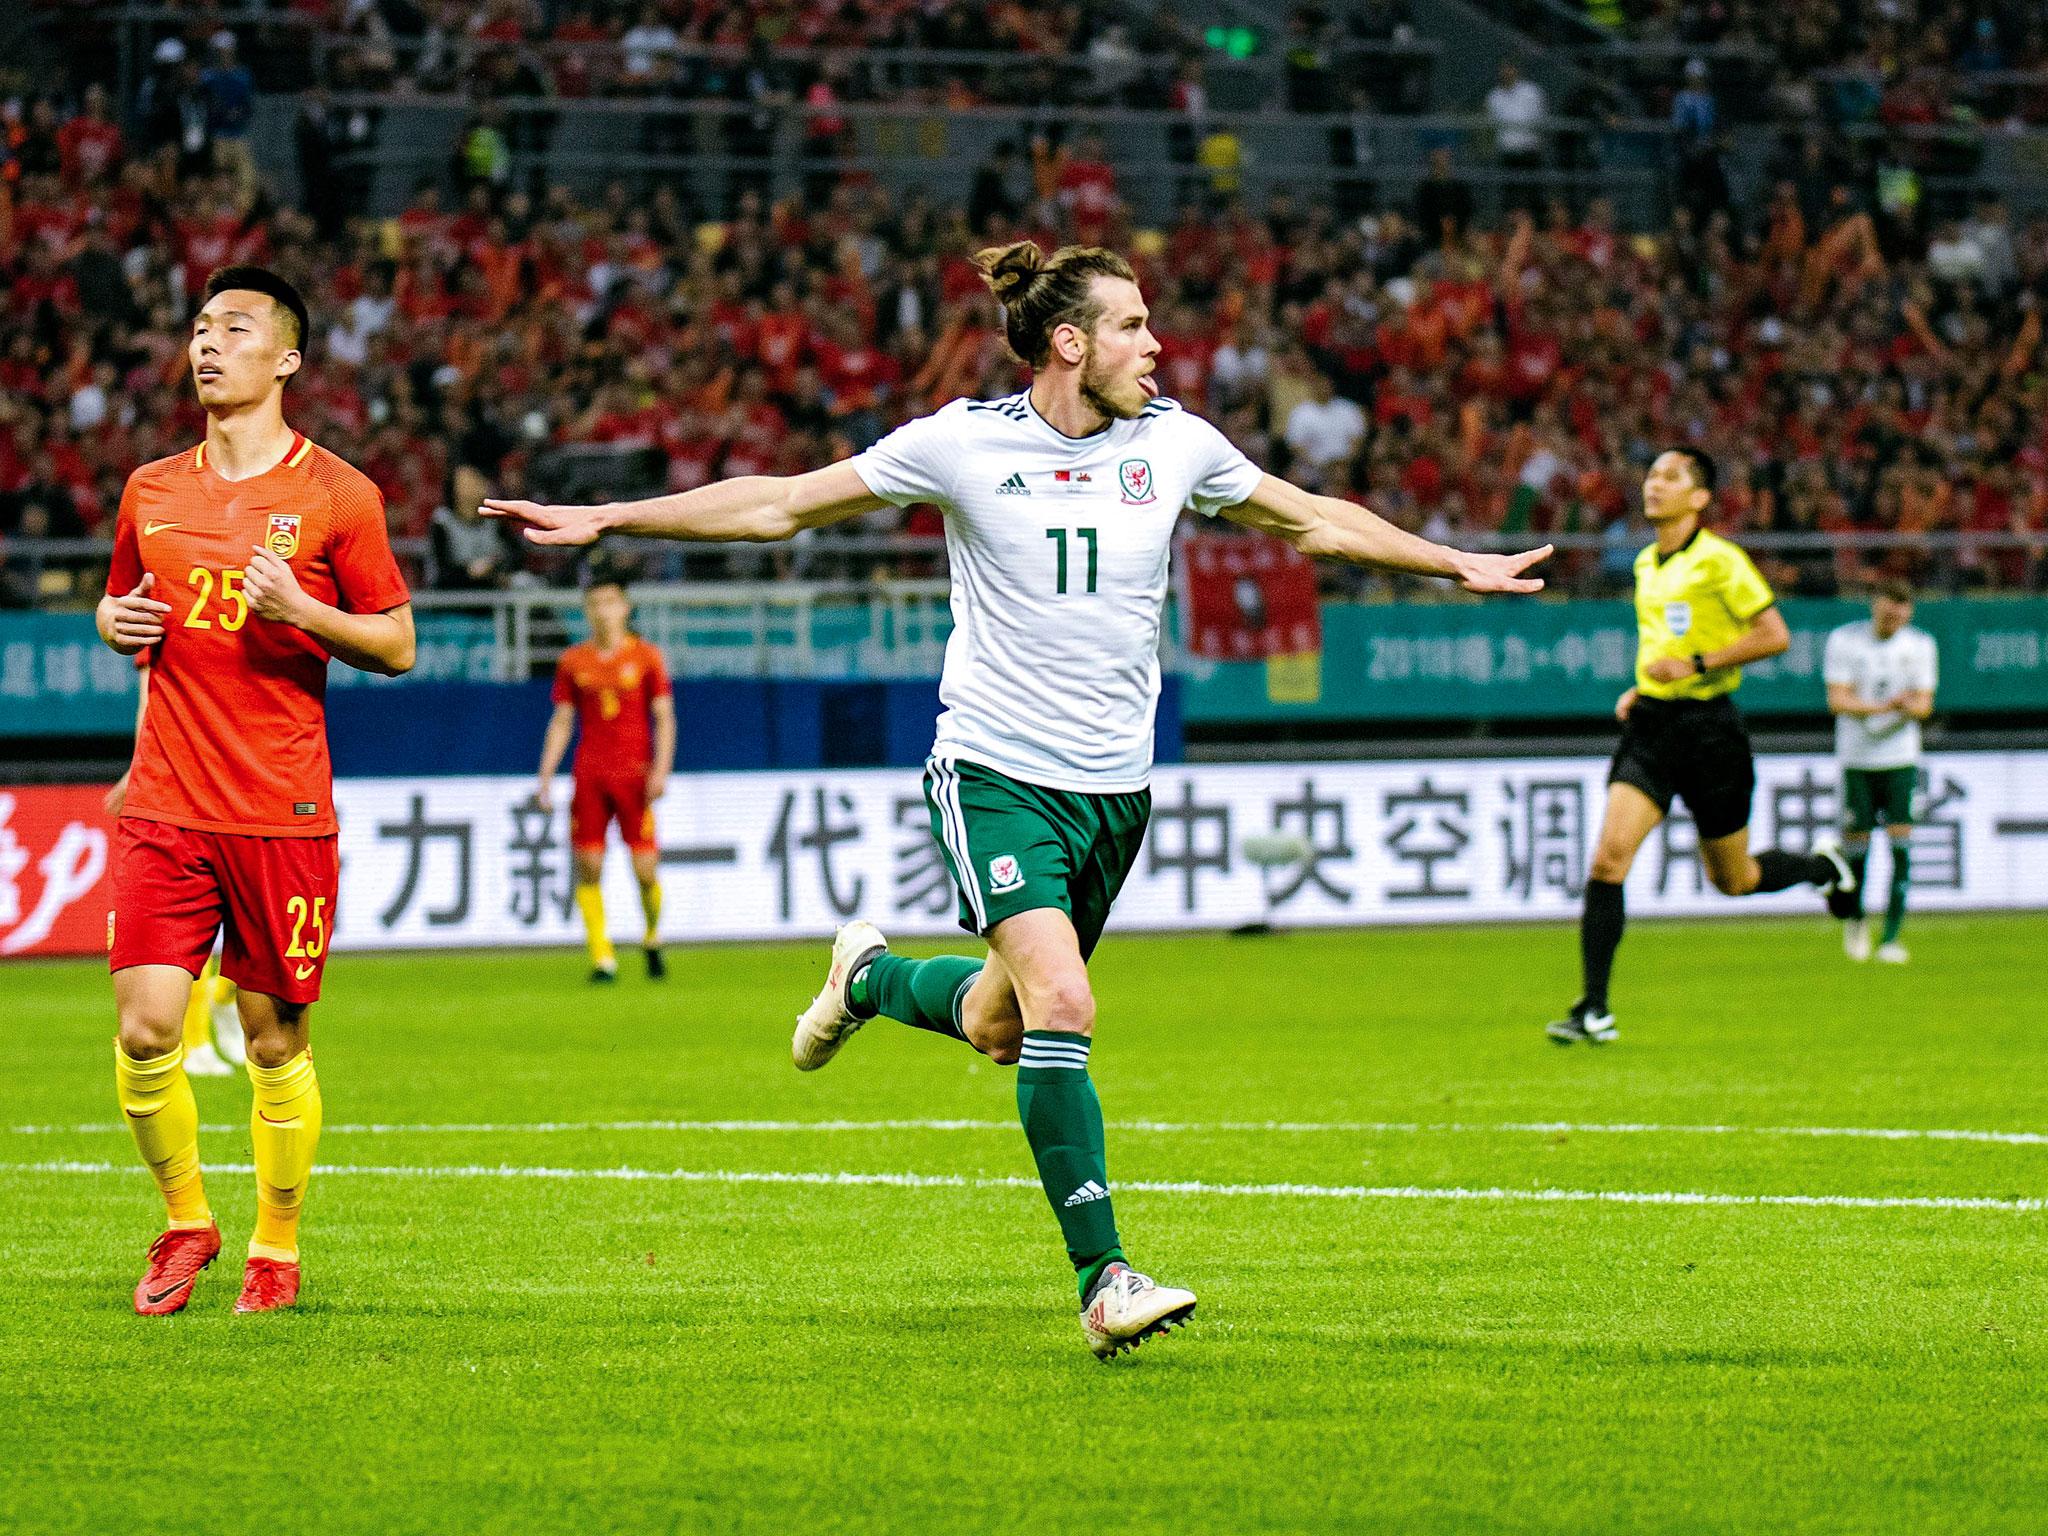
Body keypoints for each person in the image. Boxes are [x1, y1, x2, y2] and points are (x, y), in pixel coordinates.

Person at [485, 241, 1547, 1356]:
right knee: (1064, 1006)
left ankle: (870, 977)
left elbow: (1311, 521)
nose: (1156, 345)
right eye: (1133, 326)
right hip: (993, 775)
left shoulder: (1175, 444)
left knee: (1001, 1024)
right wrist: (613, 516)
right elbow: (783, 505)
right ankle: (1105, 1279)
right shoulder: (960, 443)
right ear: (1068, 343)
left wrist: (1449, 561)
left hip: (1111, 793)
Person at [97, 265, 415, 1316]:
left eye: (234, 328)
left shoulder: (339, 495)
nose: (207, 343)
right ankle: (188, 1220)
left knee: (275, 1037)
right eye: (198, 327)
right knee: (147, 1027)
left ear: (286, 359)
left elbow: (398, 643)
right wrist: (115, 626)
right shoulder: (150, 488)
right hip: (165, 801)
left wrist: (302, 611)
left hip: (280, 807)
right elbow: (116, 605)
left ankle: (277, 1245)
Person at [1548, 449, 1855, 1046]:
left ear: (1700, 497)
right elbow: (1660, 643)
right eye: (1652, 474)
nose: (1653, 484)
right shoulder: (1644, 563)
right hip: (1653, 729)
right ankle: (1594, 1008)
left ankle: (1824, 867)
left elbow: (1774, 636)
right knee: (1609, 858)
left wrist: (1695, 664)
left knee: (1734, 880)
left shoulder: (1721, 561)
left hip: (1712, 733)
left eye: (1670, 477)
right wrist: (1640, 687)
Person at [105, 657, 244, 1077]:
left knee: (260, 943)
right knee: (185, 935)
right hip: (184, 792)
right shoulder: (168, 607)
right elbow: (151, 696)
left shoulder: (263, 601)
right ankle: (196, 1042)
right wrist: (140, 767)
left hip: (255, 783)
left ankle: (224, 1002)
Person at [535, 576, 677, 982]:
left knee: (645, 869)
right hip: (591, 776)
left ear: (625, 607)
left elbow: (664, 717)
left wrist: (661, 768)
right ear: (587, 610)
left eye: (611, 601)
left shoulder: (647, 657)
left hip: (635, 776)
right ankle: (602, 957)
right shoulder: (573, 662)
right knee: (589, 865)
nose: (603, 610)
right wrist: (546, 775)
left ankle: (652, 935)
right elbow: (562, 720)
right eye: (595, 603)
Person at [1824, 580, 1937, 963]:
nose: (1895, 619)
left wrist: (1904, 706)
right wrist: (1887, 706)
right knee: (1858, 847)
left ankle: (1891, 937)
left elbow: (1924, 706)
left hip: (1900, 758)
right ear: (1876, 605)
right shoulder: (1846, 641)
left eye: (1902, 613)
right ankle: (1856, 920)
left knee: (1900, 844)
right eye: (1889, 610)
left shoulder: (1919, 645)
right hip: (1857, 758)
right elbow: (1837, 700)